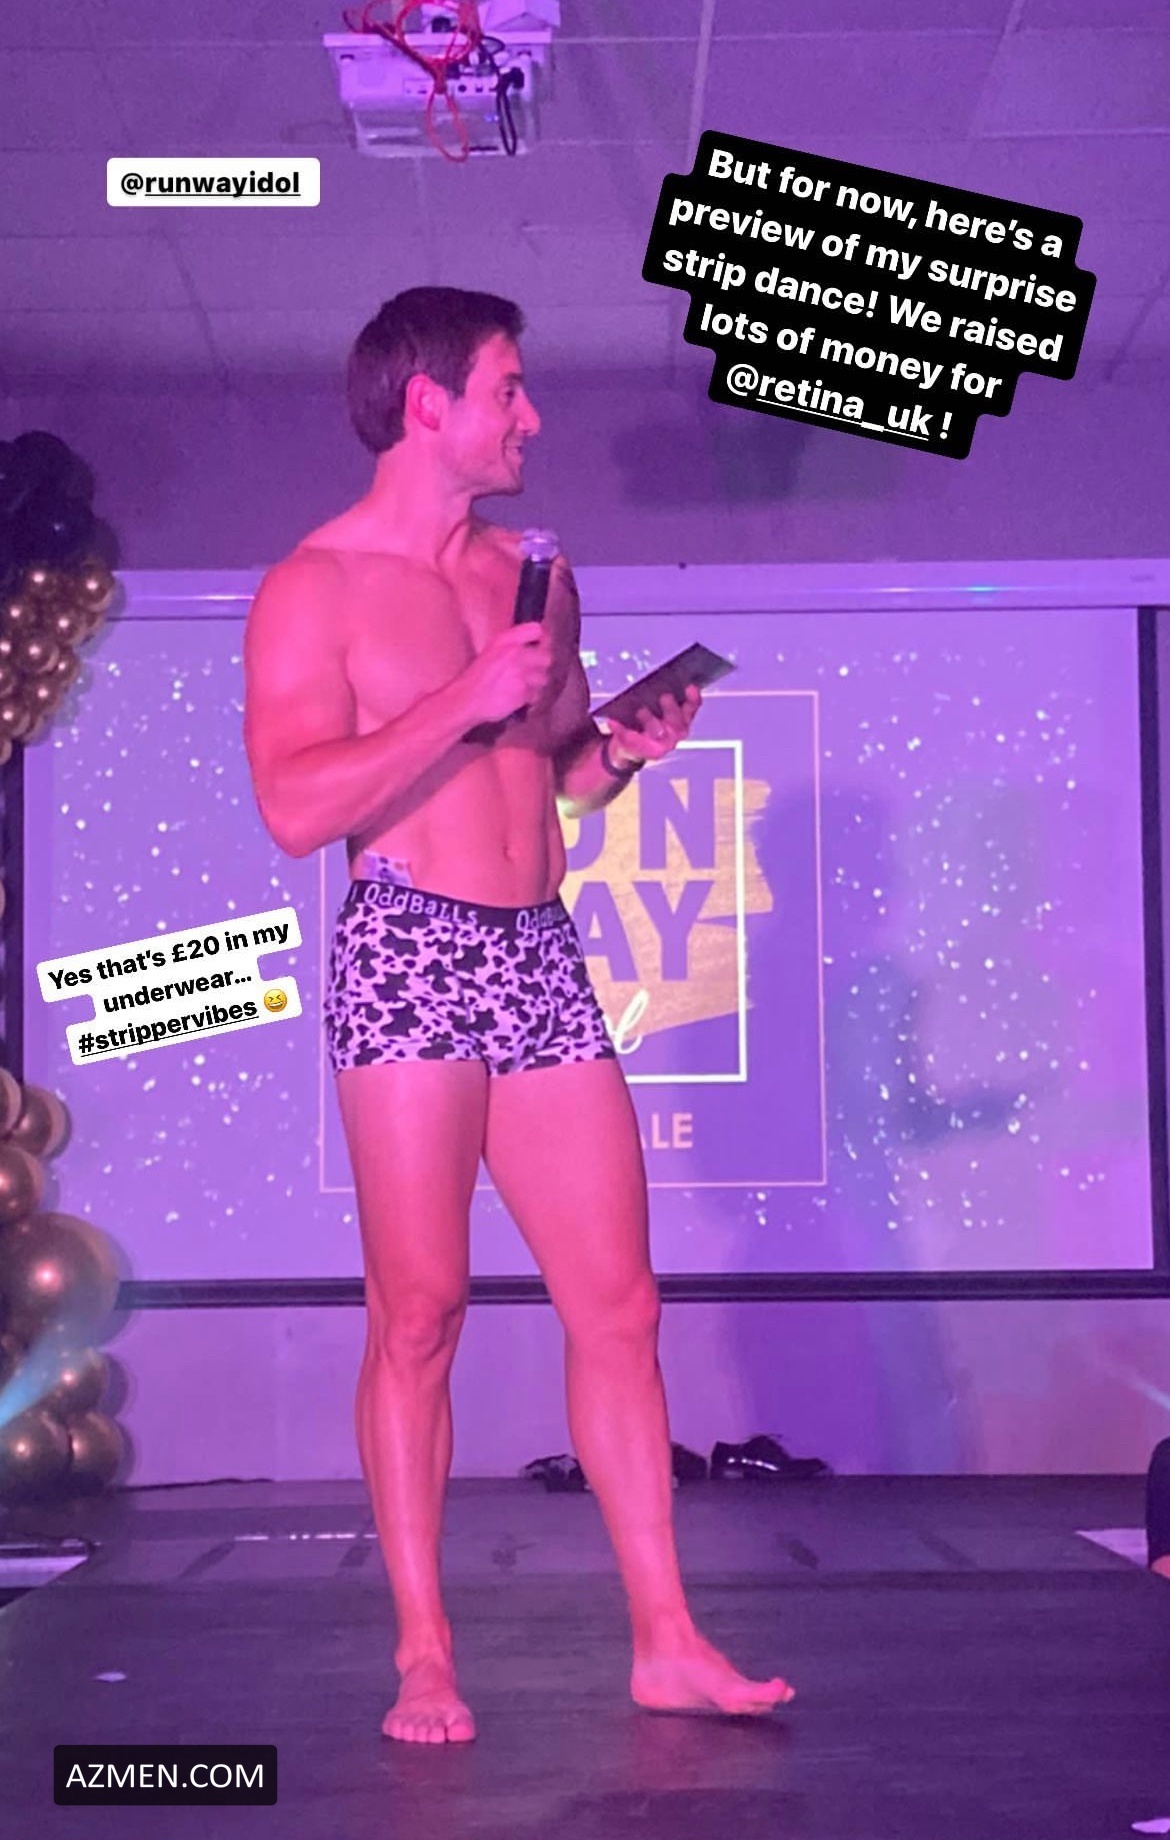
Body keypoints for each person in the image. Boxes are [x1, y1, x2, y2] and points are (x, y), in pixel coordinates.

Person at [243, 287, 795, 1744]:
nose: (531, 417)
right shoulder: (313, 585)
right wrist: (464, 695)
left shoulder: (533, 574)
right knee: (421, 1311)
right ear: (427, 404)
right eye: (508, 390)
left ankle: (665, 1639)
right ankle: (424, 1651)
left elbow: (554, 776)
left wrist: (622, 751)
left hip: (537, 946)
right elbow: (295, 806)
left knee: (620, 1303)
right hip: (409, 946)